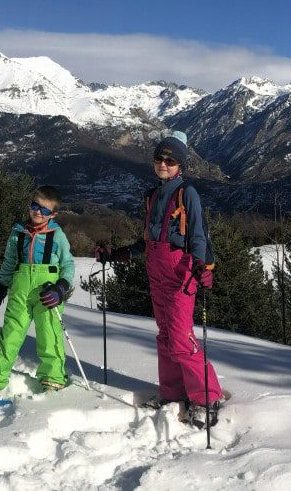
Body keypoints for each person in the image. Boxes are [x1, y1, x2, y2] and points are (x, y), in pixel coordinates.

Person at [95, 131, 226, 427]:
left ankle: (207, 397)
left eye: (170, 159)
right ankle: (172, 392)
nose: (163, 164)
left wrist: (205, 268)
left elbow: (199, 234)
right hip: (157, 271)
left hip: (181, 271)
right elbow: (148, 240)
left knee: (181, 337)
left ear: (181, 164)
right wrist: (119, 254)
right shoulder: (152, 196)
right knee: (166, 336)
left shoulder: (186, 193)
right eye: (159, 158)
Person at [0, 185, 77, 402]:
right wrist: (0, 288)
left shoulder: (57, 235)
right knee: (11, 334)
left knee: (50, 335)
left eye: (45, 210)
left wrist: (61, 287)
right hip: (20, 288)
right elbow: (10, 263)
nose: (38, 212)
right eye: (35, 206)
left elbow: (68, 265)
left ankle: (53, 379)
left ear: (53, 214)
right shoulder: (18, 232)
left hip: (48, 292)